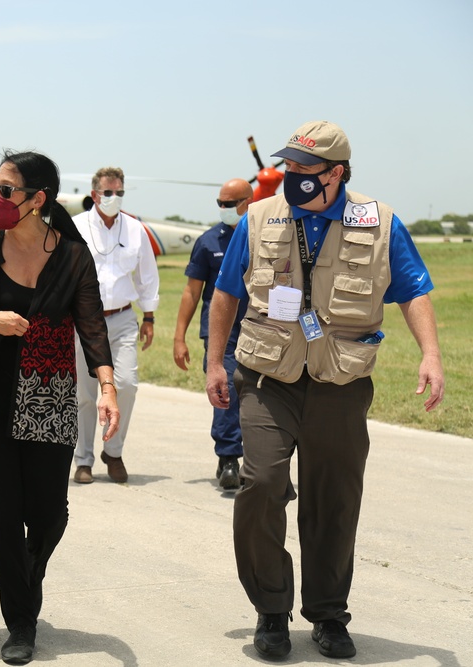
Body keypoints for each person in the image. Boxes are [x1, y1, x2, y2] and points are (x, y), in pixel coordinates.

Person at [206, 121, 445, 661]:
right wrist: (214, 363)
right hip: (268, 378)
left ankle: (329, 614)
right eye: (287, 168)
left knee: (333, 500)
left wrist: (431, 355)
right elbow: (225, 292)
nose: (291, 177)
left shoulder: (379, 222)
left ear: (336, 173)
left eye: (304, 171)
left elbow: (413, 291)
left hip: (340, 382)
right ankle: (271, 609)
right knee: (262, 483)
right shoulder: (262, 215)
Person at [0, 150, 119, 664]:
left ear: (38, 200)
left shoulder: (72, 256)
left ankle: (28, 572)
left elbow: (92, 327)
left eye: (5, 190)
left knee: (47, 513)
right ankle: (20, 620)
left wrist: (106, 387)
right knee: (2, 513)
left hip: (49, 392)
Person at [71, 167, 159, 484]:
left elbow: (147, 276)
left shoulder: (136, 230)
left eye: (119, 192)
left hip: (122, 318)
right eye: (109, 193)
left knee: (126, 385)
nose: (114, 198)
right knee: (84, 393)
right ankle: (83, 460)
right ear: (95, 194)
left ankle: (114, 451)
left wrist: (148, 316)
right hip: (84, 320)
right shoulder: (76, 227)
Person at [173, 179, 253, 490]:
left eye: (229, 204)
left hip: (261, 327)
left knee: (264, 395)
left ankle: (263, 460)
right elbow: (191, 293)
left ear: (248, 201)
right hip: (223, 331)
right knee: (227, 388)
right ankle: (229, 459)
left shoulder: (267, 236)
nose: (223, 209)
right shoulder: (208, 242)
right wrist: (179, 338)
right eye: (220, 203)